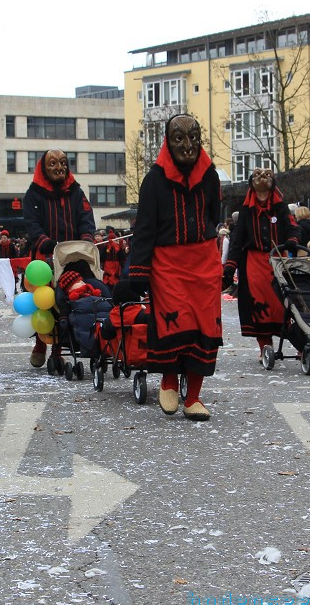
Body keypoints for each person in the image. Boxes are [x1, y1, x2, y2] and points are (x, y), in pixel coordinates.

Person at [116, 114, 222, 421]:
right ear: (167, 141)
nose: (188, 146)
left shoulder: (210, 176)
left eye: (194, 137)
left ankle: (194, 397)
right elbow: (145, 229)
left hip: (203, 262)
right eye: (179, 138)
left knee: (205, 327)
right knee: (174, 325)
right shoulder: (154, 180)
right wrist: (138, 271)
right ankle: (169, 381)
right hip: (168, 266)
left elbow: (213, 216)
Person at [23, 148, 96, 367]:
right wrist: (43, 241)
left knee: (68, 298)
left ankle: (59, 347)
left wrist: (86, 238)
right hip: (44, 256)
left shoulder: (76, 192)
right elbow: (32, 223)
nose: (59, 168)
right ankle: (40, 344)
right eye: (53, 163)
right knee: (43, 302)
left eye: (63, 163)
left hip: (72, 255)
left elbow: (86, 216)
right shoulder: (33, 194)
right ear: (44, 168)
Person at [223, 166, 296, 357]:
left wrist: (292, 242)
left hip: (277, 260)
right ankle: (265, 345)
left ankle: (300, 343)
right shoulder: (246, 210)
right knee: (258, 306)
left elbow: (292, 227)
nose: (262, 178)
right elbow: (237, 241)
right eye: (257, 176)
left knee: (284, 304)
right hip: (254, 265)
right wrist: (229, 267)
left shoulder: (280, 207)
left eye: (266, 176)